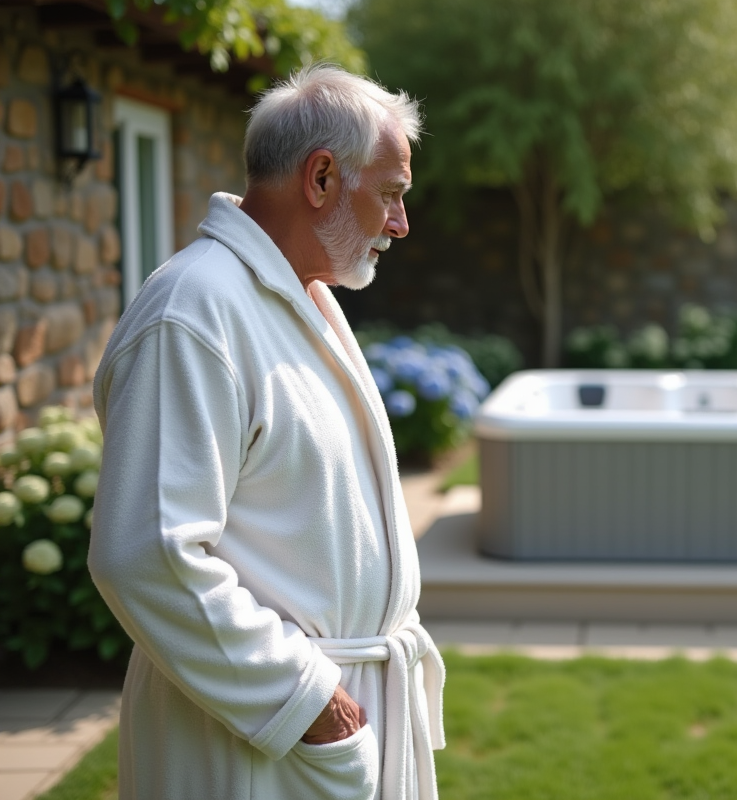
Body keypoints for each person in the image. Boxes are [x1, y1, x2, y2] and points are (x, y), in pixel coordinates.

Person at [88, 64, 444, 800]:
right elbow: (145, 553)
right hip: (254, 742)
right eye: (391, 194)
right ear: (321, 178)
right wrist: (307, 702)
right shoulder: (193, 313)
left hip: (325, 715)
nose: (401, 224)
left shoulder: (301, 296)